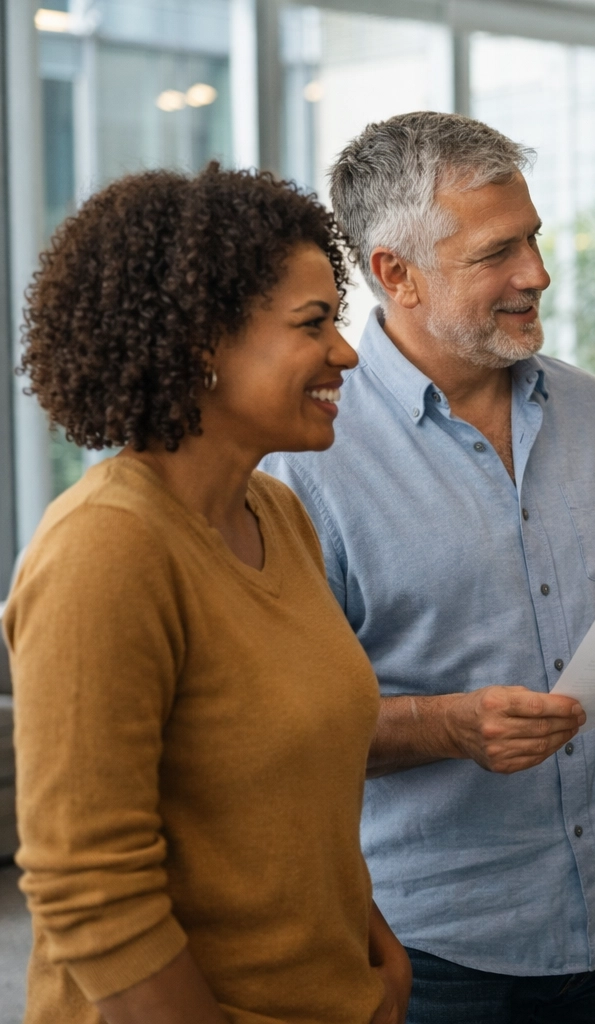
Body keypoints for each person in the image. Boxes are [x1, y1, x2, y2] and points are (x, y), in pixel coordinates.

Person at [261, 112, 595, 1024]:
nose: (537, 274)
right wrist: (445, 726)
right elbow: (281, 730)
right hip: (429, 947)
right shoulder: (305, 460)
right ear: (397, 274)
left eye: (535, 239)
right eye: (497, 253)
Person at [5, 165, 412, 1024]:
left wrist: (374, 955)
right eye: (314, 325)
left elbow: (299, 792)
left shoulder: (278, 513)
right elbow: (90, 889)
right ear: (201, 345)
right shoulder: (107, 549)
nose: (345, 351)